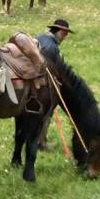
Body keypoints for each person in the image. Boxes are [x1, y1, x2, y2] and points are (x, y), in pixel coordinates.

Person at [35, 19, 74, 150]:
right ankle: (41, 141)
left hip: (31, 79)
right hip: (41, 82)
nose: (66, 36)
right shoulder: (52, 48)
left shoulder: (40, 37)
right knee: (48, 109)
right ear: (60, 31)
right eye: (65, 33)